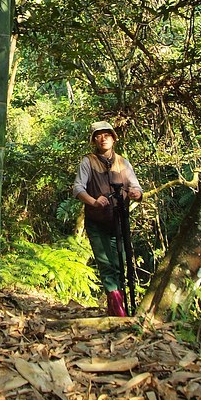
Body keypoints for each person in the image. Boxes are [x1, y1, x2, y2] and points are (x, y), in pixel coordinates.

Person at [72, 120, 143, 317]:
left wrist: (136, 193)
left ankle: (116, 307)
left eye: (106, 135)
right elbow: (78, 188)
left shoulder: (122, 162)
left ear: (113, 138)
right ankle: (119, 310)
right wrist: (94, 202)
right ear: (94, 140)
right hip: (97, 221)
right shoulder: (88, 161)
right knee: (106, 264)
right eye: (98, 135)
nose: (103, 138)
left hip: (119, 221)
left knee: (120, 264)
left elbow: (135, 186)